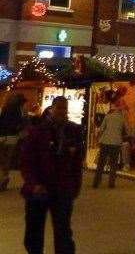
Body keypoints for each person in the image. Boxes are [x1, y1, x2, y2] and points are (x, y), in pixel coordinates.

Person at [20, 96, 83, 254]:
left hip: (62, 188)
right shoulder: (38, 131)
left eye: (64, 108)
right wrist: (33, 183)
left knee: (63, 231)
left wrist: (75, 185)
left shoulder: (73, 130)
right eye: (59, 108)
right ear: (51, 108)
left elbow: (77, 161)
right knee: (34, 231)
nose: (62, 111)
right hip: (39, 189)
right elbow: (27, 160)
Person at [92, 90, 129, 188]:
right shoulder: (122, 118)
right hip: (116, 143)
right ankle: (111, 183)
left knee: (101, 163)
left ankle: (96, 182)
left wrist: (98, 137)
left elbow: (101, 129)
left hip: (105, 141)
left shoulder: (108, 116)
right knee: (113, 164)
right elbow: (127, 130)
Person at [0, 93, 28, 191]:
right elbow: (17, 123)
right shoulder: (17, 109)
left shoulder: (5, 107)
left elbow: (2, 122)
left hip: (3, 136)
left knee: (2, 159)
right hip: (12, 137)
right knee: (7, 159)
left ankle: (3, 179)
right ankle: (4, 179)